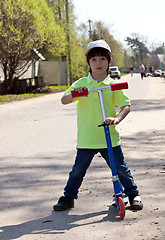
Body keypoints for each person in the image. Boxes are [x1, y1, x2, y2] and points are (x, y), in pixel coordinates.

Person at [53, 40, 143, 212]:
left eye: (102, 58)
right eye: (94, 59)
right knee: (78, 171)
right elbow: (64, 100)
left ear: (109, 61)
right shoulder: (82, 83)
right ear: (88, 63)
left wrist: (116, 118)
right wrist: (74, 94)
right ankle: (68, 197)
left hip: (109, 137)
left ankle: (133, 194)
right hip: (87, 138)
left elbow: (126, 106)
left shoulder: (113, 85)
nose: (98, 63)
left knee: (120, 169)